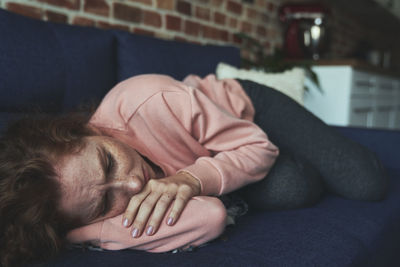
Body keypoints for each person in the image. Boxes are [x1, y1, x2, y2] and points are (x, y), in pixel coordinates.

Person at [0, 74, 388, 267]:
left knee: (367, 184)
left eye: (108, 160)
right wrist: (75, 233)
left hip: (246, 111)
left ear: (83, 130)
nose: (134, 184)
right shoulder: (79, 204)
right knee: (294, 187)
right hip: (216, 150)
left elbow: (258, 146)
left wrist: (188, 179)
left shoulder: (149, 99)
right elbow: (210, 214)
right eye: (105, 202)